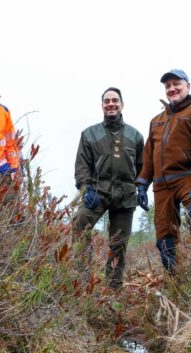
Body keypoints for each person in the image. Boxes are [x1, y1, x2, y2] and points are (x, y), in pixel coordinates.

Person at [136, 69, 191, 273]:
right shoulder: (157, 120)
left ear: (188, 86)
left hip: (188, 177)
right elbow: (149, 155)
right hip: (162, 184)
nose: (172, 88)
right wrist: (142, 185)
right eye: (168, 86)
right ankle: (174, 278)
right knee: (164, 235)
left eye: (176, 84)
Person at [72, 87, 145, 290]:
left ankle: (113, 289)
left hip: (125, 196)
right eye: (107, 101)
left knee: (118, 244)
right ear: (102, 105)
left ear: (122, 104)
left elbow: (143, 167)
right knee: (79, 224)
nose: (111, 104)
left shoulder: (136, 136)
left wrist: (142, 188)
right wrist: (86, 189)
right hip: (98, 192)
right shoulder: (89, 134)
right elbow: (81, 166)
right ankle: (82, 283)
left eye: (115, 100)